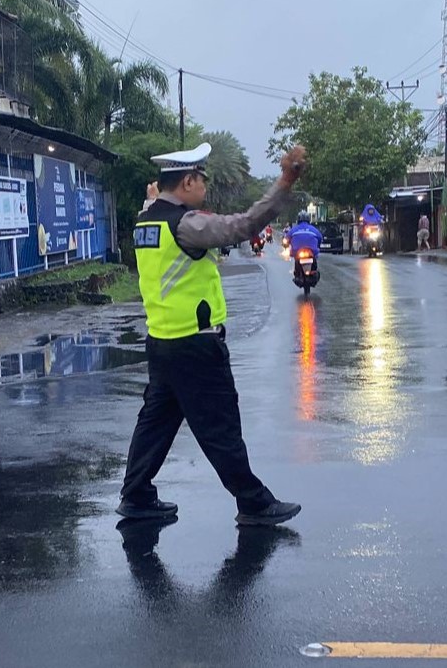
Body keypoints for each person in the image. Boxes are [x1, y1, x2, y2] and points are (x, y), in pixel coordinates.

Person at [120, 141, 308, 527]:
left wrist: (155, 197)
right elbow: (245, 225)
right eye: (201, 179)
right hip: (195, 345)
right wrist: (285, 181)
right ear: (187, 181)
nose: (205, 186)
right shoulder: (187, 225)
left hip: (161, 342)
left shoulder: (146, 221)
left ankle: (136, 495)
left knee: (155, 424)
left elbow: (152, 204)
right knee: (220, 426)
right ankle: (253, 502)